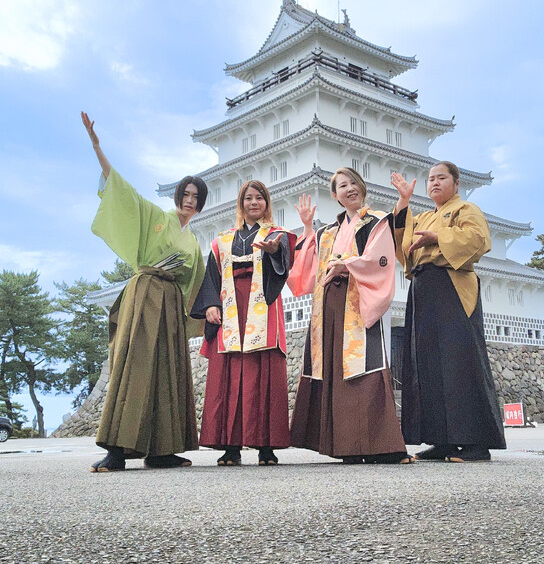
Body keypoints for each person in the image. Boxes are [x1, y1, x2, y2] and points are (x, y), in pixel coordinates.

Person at [81, 111, 207, 472]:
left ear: (201, 203)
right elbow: (123, 192)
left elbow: (198, 282)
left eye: (196, 196)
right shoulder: (156, 217)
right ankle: (116, 450)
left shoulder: (193, 242)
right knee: (133, 365)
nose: (189, 200)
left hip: (171, 306)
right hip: (146, 293)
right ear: (178, 197)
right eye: (185, 194)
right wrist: (97, 147)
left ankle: (162, 450)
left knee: (168, 373)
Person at [288, 168, 413, 465]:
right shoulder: (326, 233)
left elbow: (379, 259)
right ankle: (345, 445)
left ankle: (382, 446)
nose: (350, 189)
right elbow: (307, 270)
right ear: (335, 195)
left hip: (358, 299)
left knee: (367, 367)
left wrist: (347, 265)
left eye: (354, 183)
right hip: (330, 304)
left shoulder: (377, 222)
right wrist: (307, 227)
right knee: (333, 369)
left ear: (363, 188)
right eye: (342, 186)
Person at [391, 162, 506, 463]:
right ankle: (441, 439)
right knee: (427, 364)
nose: (435, 183)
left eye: (442, 177)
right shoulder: (424, 216)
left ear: (456, 183)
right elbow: (402, 245)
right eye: (430, 179)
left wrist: (438, 238)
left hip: (452, 284)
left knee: (460, 361)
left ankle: (476, 442)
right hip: (422, 287)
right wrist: (403, 201)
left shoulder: (466, 209)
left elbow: (478, 240)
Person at [190, 181, 296, 466]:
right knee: (230, 373)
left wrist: (274, 251)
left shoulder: (276, 234)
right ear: (241, 204)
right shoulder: (223, 240)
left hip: (262, 305)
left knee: (264, 372)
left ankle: (266, 447)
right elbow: (212, 276)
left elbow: (285, 264)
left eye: (259, 198)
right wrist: (211, 305)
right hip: (230, 305)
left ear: (266, 203)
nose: (254, 203)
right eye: (248, 198)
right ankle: (230, 446)